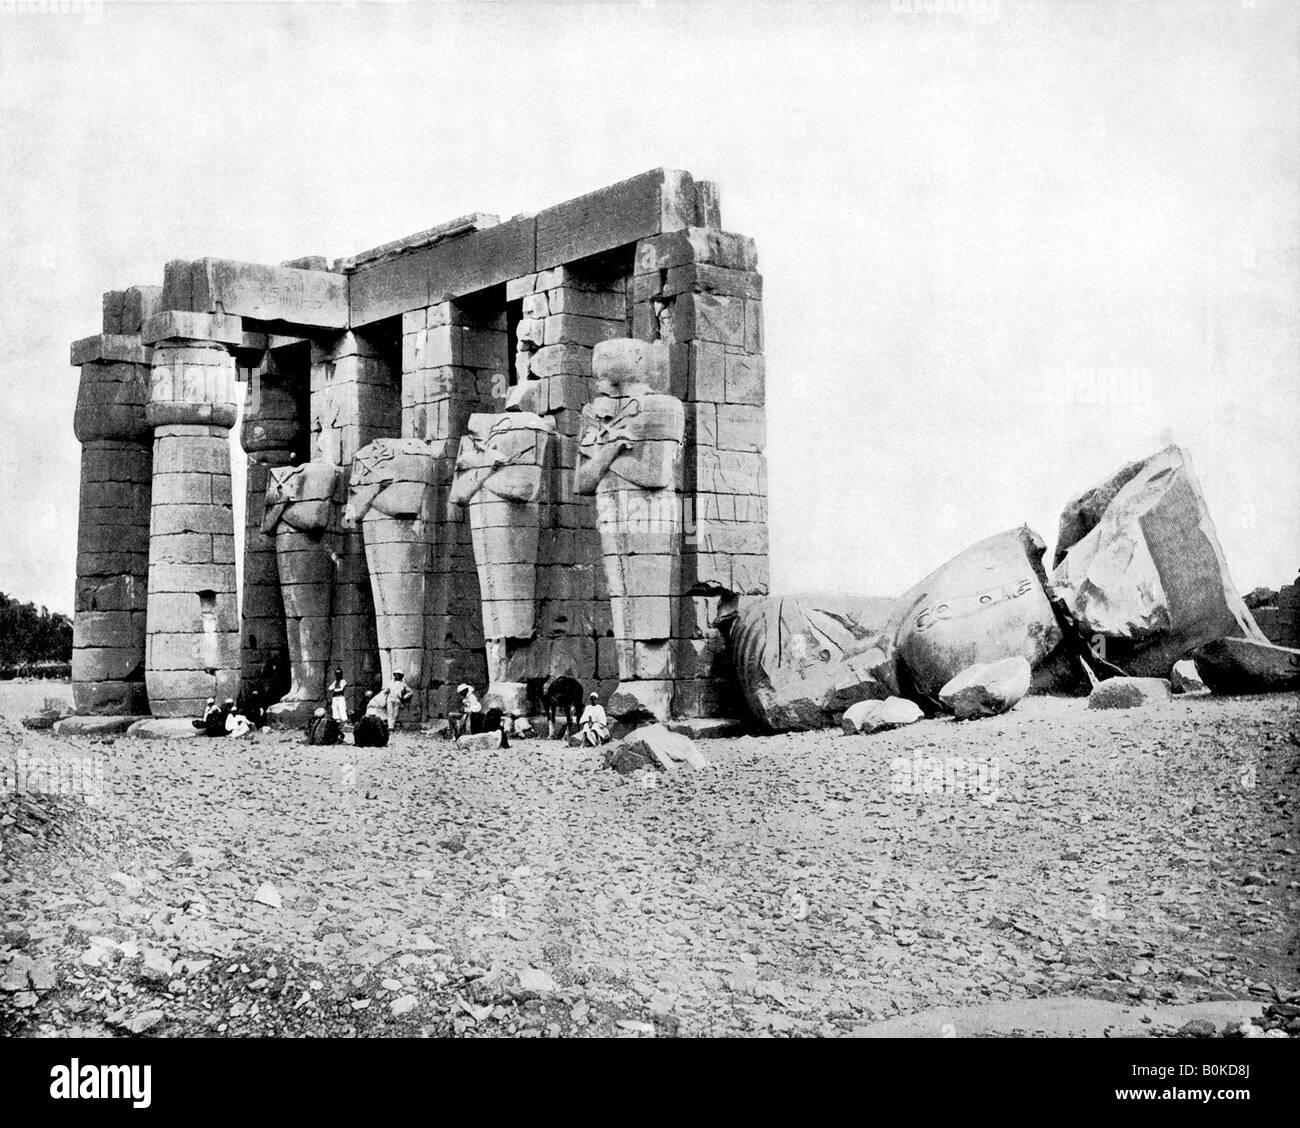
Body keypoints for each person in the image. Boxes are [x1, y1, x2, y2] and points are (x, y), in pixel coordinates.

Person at [542, 674, 583, 739]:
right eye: (544, 689)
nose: (544, 690)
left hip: (567, 701)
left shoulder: (565, 692)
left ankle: (572, 732)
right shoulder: (547, 697)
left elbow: (568, 709)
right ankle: (553, 733)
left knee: (573, 712)